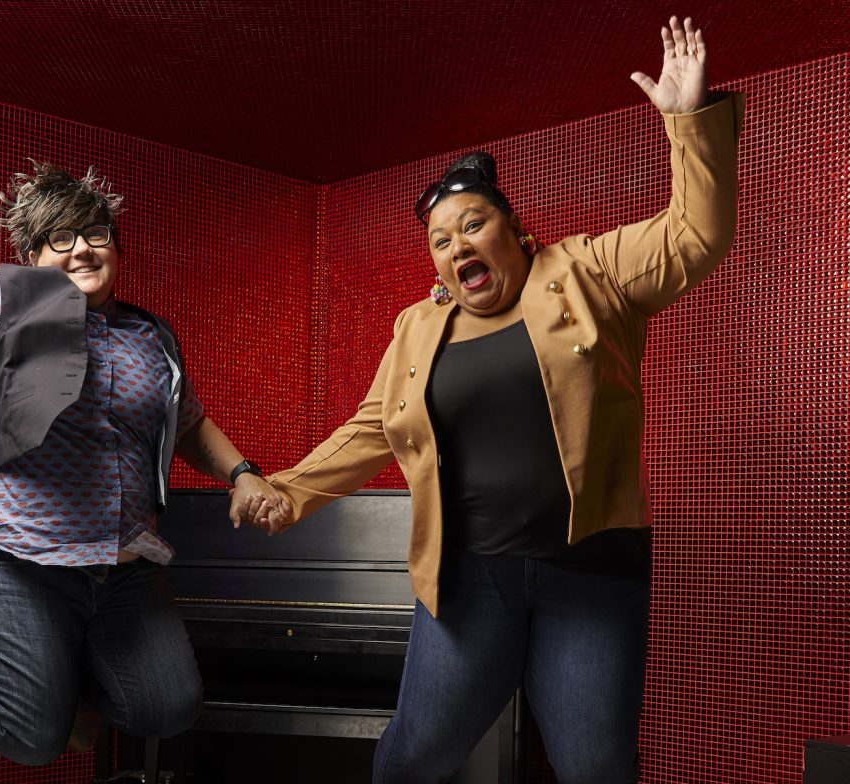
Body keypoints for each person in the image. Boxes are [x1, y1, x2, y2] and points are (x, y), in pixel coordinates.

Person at [233, 16, 744, 784]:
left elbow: (693, 237)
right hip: (470, 580)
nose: (457, 244)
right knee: (412, 761)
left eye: (473, 224)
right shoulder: (418, 327)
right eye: (440, 239)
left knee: (595, 769)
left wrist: (686, 123)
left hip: (592, 576)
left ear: (517, 232)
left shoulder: (586, 273)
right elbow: (375, 428)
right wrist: (286, 492)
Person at [0, 161, 277, 765]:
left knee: (166, 709)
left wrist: (241, 471)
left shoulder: (151, 337)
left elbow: (189, 423)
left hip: (123, 572)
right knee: (32, 739)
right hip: (22, 563)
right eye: (58, 239)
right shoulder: (0, 303)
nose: (81, 250)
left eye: (95, 234)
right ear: (34, 255)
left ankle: (58, 692)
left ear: (115, 247)